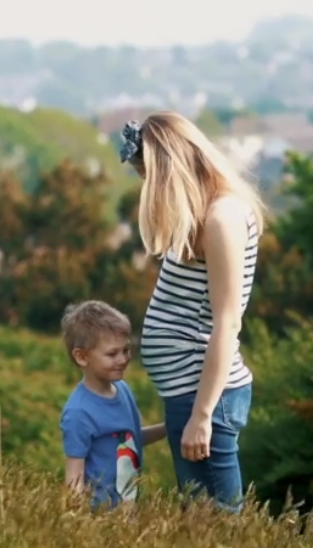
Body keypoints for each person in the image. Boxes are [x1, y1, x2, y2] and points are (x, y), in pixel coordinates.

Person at [118, 111, 266, 512]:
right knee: (198, 519)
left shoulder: (222, 219)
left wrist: (201, 415)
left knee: (215, 520)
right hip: (190, 393)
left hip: (206, 395)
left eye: (151, 178)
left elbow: (227, 322)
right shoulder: (204, 216)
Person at [59, 300, 167, 510]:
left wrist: (168, 428)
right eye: (112, 354)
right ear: (82, 357)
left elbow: (130, 439)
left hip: (128, 513)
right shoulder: (78, 413)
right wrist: (77, 522)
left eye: (126, 350)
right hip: (100, 517)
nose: (123, 359)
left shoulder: (123, 390)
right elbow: (74, 478)